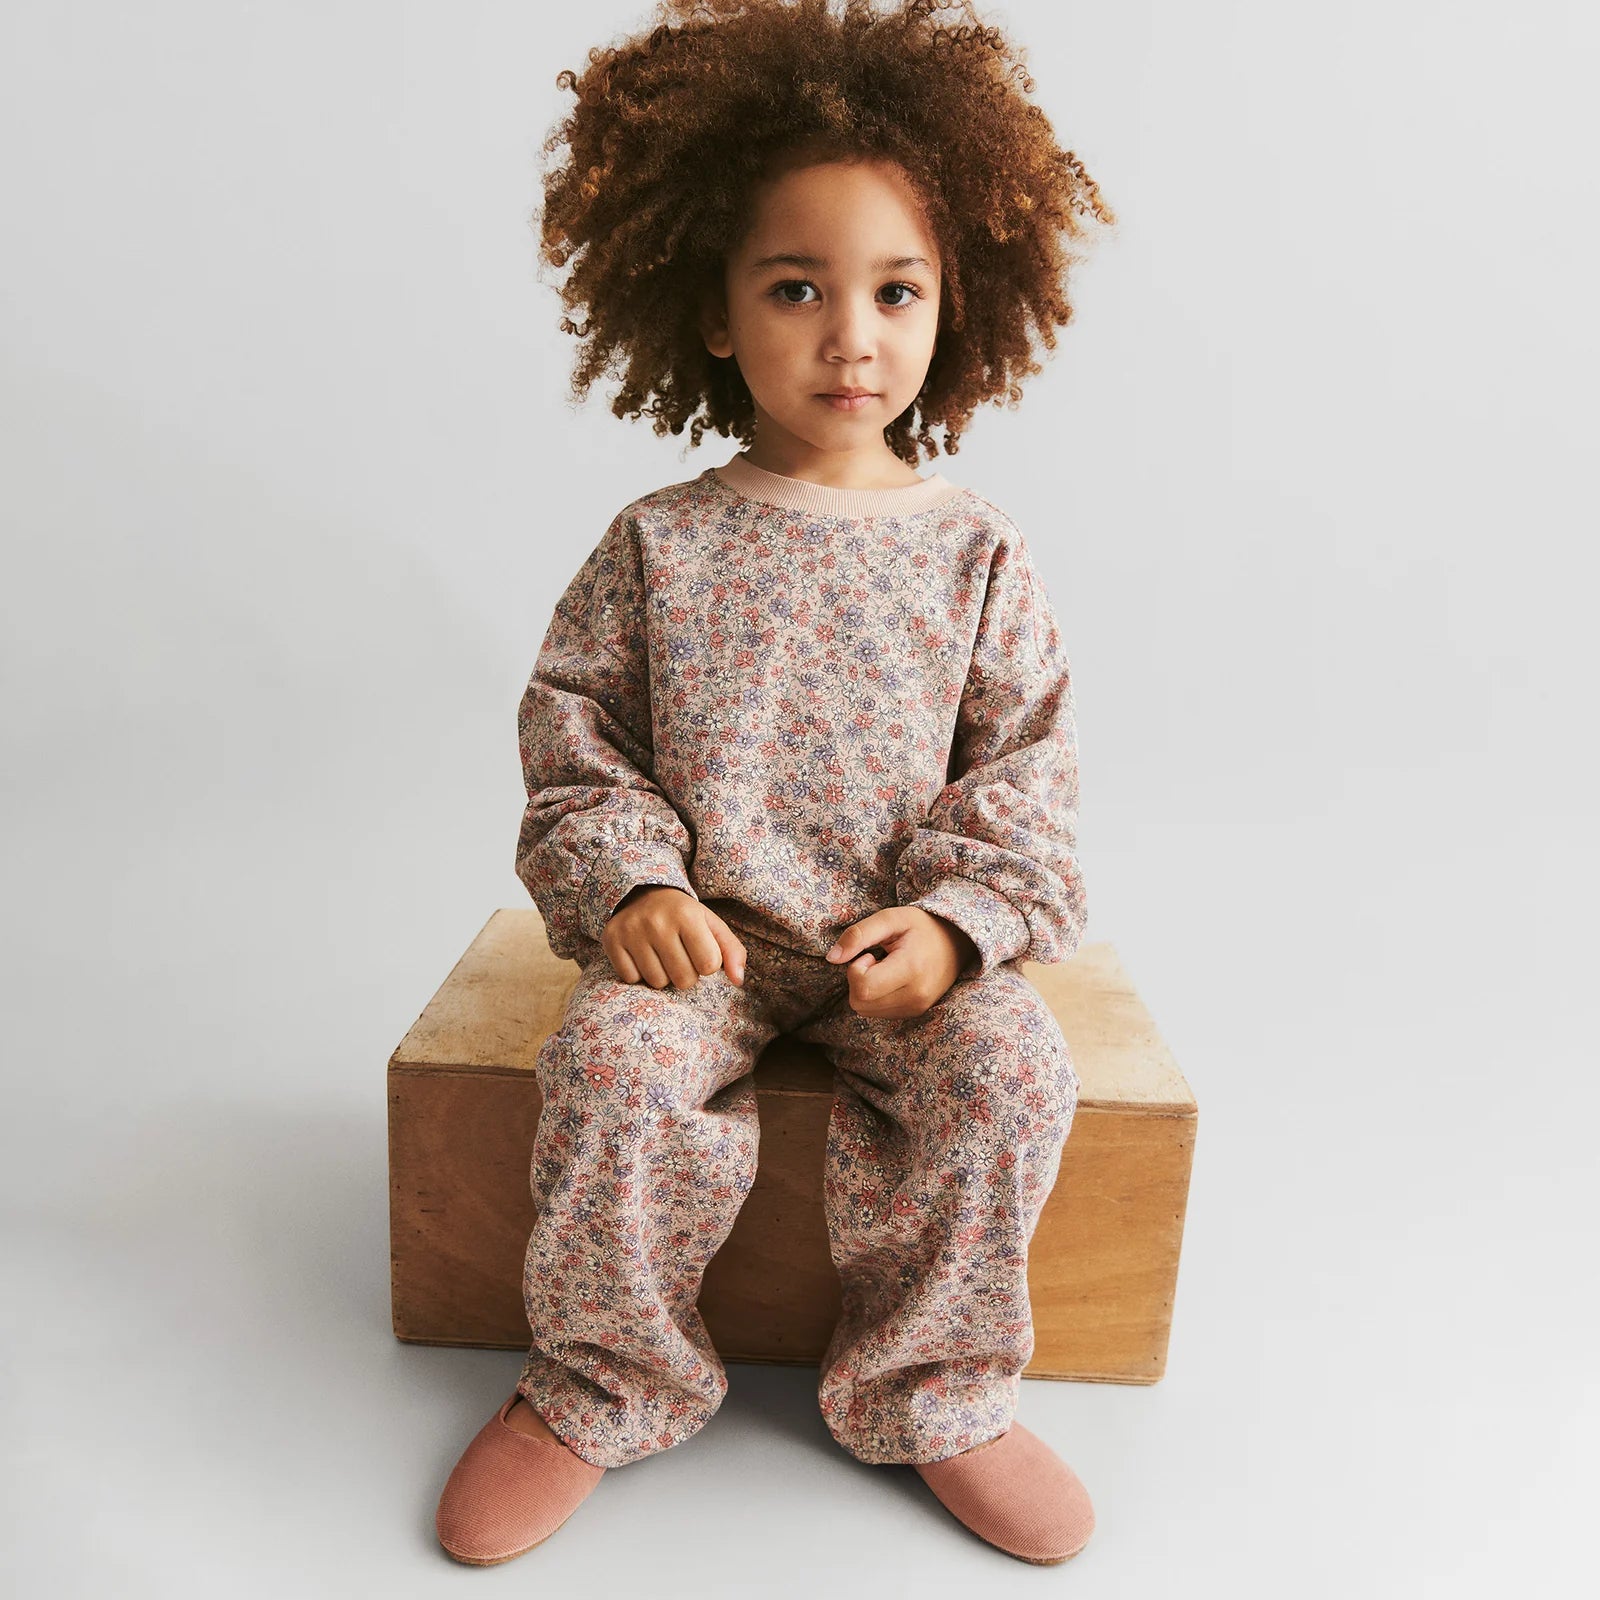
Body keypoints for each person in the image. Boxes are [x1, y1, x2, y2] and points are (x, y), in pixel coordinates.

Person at [434, 0, 1117, 1569]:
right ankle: (603, 1381)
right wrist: (634, 883)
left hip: (901, 952)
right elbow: (577, 737)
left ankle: (934, 1388)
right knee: (609, 1070)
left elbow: (1028, 771)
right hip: (712, 947)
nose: (850, 334)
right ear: (716, 311)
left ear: (954, 306)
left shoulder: (976, 553)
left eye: (895, 289)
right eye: (797, 287)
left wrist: (957, 924)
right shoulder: (662, 544)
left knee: (1015, 1074)